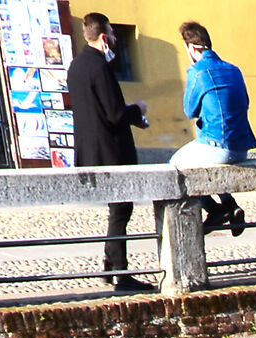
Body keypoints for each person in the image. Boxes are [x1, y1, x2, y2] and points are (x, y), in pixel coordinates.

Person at [68, 14, 149, 292]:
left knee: (117, 210)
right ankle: (121, 274)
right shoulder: (100, 67)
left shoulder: (76, 66)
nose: (115, 39)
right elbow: (114, 114)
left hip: (90, 149)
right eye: (113, 35)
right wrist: (137, 109)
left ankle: (109, 265)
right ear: (103, 37)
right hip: (111, 151)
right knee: (121, 210)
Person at [173, 21, 255, 236]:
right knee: (205, 159)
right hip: (242, 147)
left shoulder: (197, 71)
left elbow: (190, 110)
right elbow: (245, 102)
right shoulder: (234, 69)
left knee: (173, 166)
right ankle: (231, 205)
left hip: (219, 146)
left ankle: (214, 209)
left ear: (191, 47)